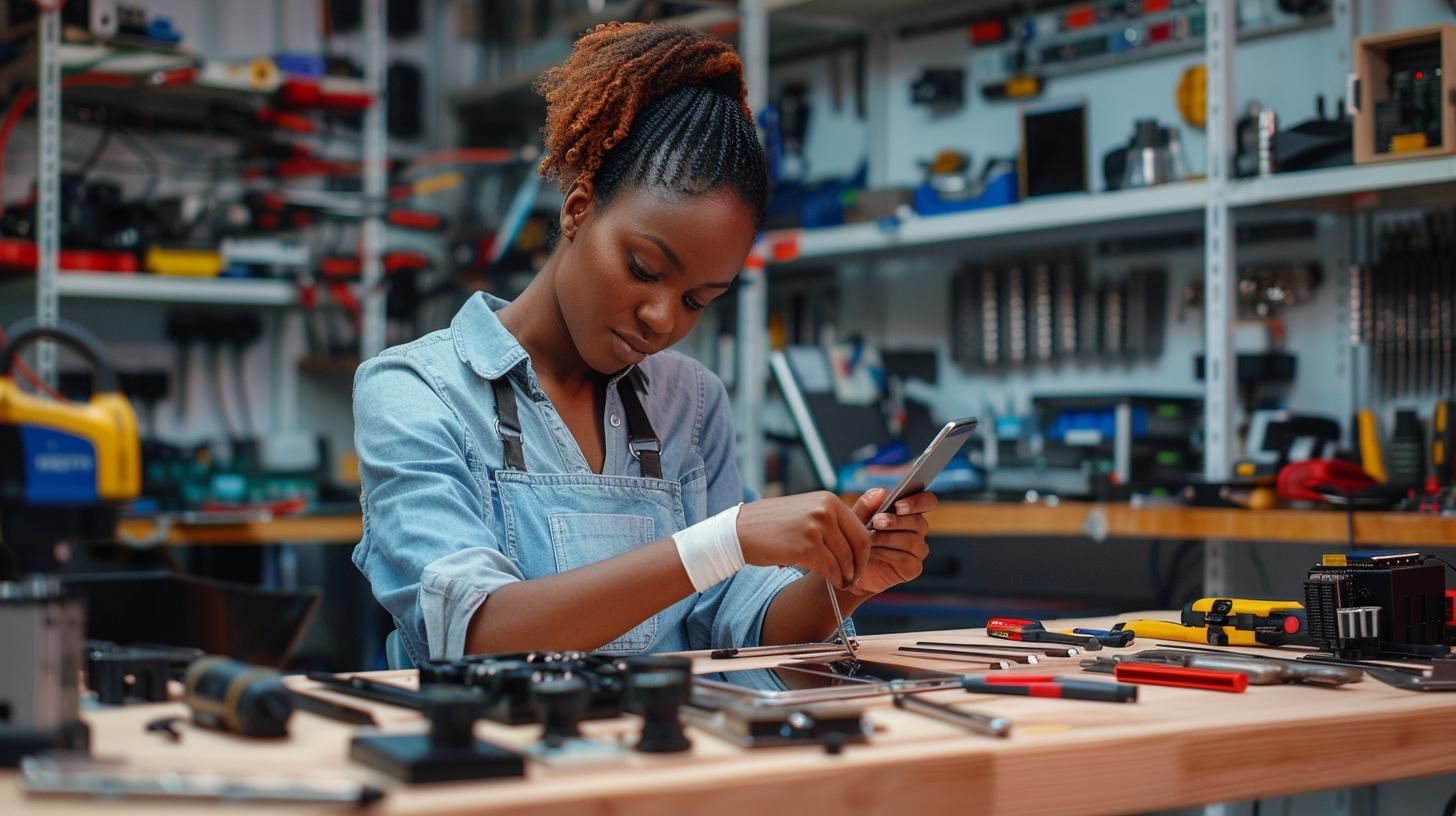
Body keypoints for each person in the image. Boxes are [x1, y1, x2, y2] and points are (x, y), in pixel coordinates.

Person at [352, 21, 937, 665]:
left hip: (663, 757)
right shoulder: (417, 391)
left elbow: (734, 622)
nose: (662, 319)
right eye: (643, 269)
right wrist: (724, 540)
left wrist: (841, 584)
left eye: (696, 301)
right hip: (492, 760)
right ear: (578, 209)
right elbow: (474, 635)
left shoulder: (690, 400)